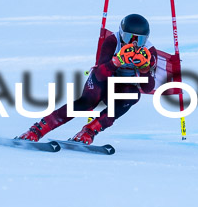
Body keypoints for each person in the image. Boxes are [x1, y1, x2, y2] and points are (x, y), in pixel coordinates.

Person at [17, 14, 157, 144]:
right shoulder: (112, 41)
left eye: (140, 39)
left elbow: (148, 87)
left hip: (121, 87)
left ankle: (89, 131)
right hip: (103, 81)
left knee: (133, 95)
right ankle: (38, 129)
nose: (134, 43)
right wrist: (116, 61)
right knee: (86, 103)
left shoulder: (149, 51)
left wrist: (145, 68)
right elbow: (100, 74)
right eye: (128, 38)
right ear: (121, 34)